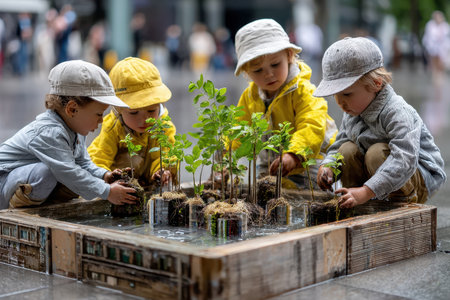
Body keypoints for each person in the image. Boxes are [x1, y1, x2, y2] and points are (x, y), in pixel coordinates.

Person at [314, 37, 446, 209]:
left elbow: (404, 159)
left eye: (346, 94)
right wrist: (328, 166)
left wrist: (367, 191)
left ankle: (398, 203)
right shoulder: (353, 111)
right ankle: (353, 199)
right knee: (345, 150)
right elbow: (338, 145)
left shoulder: (397, 112)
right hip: (375, 179)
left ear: (376, 84)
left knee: (376, 153)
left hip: (415, 177)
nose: (340, 103)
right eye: (335, 96)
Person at [0, 60, 138, 209]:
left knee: (71, 177)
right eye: (98, 114)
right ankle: (15, 212)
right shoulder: (50, 132)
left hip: (18, 181)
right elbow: (69, 172)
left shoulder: (75, 128)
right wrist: (107, 192)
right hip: (4, 182)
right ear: (72, 109)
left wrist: (104, 175)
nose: (101, 120)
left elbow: (83, 163)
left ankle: (45, 207)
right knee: (48, 173)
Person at [233, 18, 337, 188]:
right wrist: (224, 156)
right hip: (271, 162)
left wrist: (294, 155)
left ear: (289, 56)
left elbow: (312, 125)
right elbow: (237, 129)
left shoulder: (303, 89)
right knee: (261, 191)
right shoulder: (250, 96)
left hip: (310, 160)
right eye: (258, 70)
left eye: (275, 64)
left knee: (317, 194)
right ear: (246, 72)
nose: (268, 74)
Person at [88, 57, 176, 187]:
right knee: (131, 159)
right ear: (118, 109)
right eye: (134, 113)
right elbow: (99, 157)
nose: (145, 119)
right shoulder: (113, 126)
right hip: (119, 187)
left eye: (151, 111)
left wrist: (162, 171)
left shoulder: (163, 126)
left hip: (149, 184)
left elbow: (167, 153)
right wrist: (107, 176)